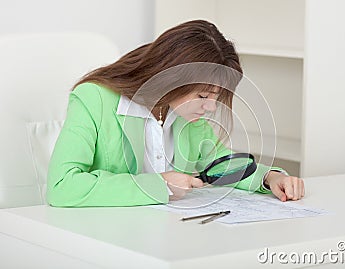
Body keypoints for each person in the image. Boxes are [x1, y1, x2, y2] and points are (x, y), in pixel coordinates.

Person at [47, 20, 305, 207]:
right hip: (105, 236)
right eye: (203, 96)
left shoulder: (186, 115)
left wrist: (269, 178)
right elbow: (62, 186)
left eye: (216, 97)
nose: (211, 107)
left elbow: (218, 163)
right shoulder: (94, 99)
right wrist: (158, 185)